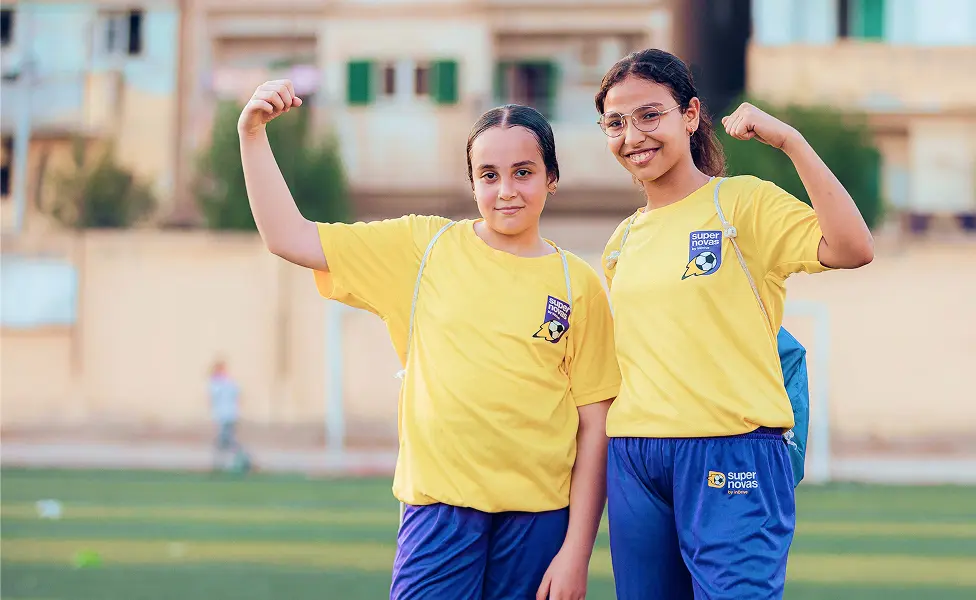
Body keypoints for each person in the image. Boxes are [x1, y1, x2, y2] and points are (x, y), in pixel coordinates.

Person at [238, 79, 620, 600]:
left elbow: (594, 426)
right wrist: (252, 135)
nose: (506, 189)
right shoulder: (425, 247)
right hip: (440, 510)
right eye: (489, 175)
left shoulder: (579, 284)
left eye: (523, 173)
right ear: (472, 183)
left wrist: (576, 551)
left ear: (551, 178)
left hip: (539, 518)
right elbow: (290, 237)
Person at [594, 49, 875, 599]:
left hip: (733, 451)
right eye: (616, 123)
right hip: (635, 458)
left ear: (691, 115)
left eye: (651, 115)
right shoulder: (621, 241)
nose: (634, 135)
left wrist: (790, 141)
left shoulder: (739, 204)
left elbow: (852, 247)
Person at [208, 359, 249, 473]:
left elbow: (236, 397)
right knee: (225, 441)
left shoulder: (223, 382)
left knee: (226, 441)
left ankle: (241, 461)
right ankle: (228, 462)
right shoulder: (221, 382)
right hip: (225, 416)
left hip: (227, 416)